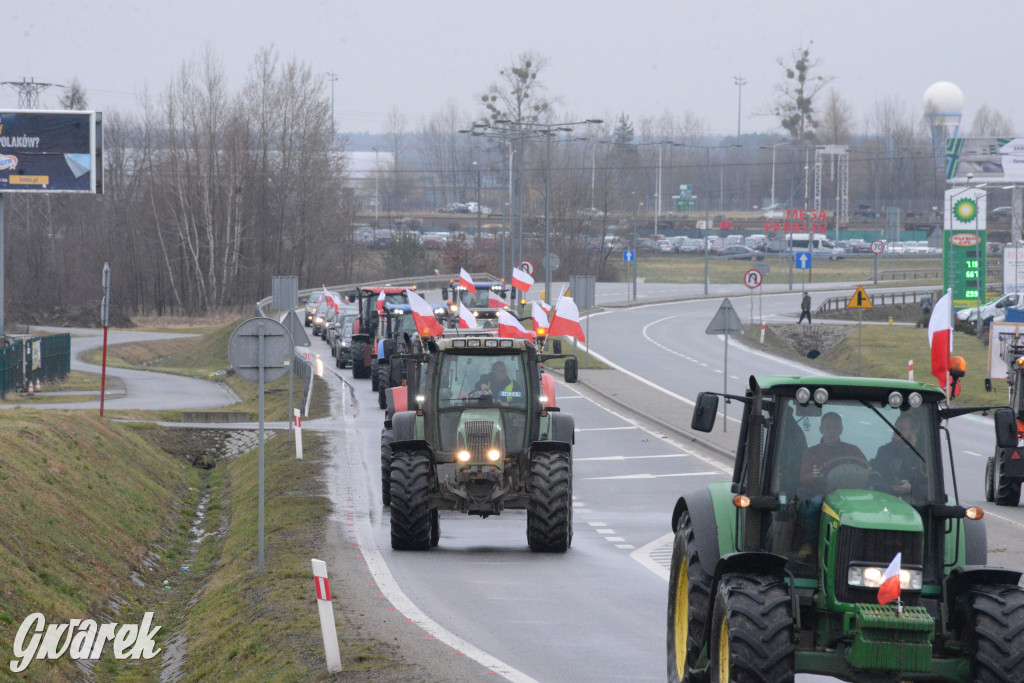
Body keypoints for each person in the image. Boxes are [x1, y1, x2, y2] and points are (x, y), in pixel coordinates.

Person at [798, 412, 867, 557]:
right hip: (825, 494)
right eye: (828, 427)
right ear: (821, 429)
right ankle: (808, 544)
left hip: (852, 496)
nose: (832, 430)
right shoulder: (811, 453)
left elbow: (867, 470)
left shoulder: (853, 450)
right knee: (815, 505)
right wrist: (813, 475)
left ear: (841, 429)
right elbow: (803, 478)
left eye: (835, 427)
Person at [871, 413, 927, 500]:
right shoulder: (884, 451)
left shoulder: (924, 454)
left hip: (915, 505)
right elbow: (876, 478)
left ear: (913, 431)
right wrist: (891, 488)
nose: (896, 431)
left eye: (902, 428)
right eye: (895, 427)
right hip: (886, 500)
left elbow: (930, 487)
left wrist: (911, 488)